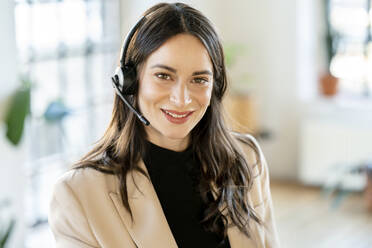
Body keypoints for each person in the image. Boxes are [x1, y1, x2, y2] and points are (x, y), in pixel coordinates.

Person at [48, 2, 280, 248]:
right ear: (129, 82)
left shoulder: (246, 159)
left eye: (199, 79)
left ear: (215, 86)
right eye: (164, 76)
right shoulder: (78, 193)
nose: (182, 99)